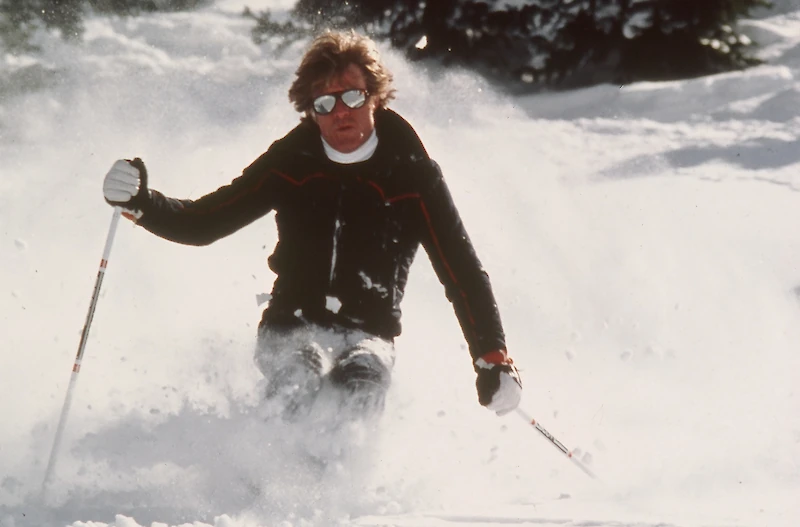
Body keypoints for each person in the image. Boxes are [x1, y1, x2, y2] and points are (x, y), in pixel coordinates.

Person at [102, 30, 521, 422]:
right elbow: (204, 222)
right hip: (290, 325)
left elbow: (461, 271)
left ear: (375, 97)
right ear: (311, 111)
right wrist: (140, 202)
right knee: (298, 374)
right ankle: (263, 480)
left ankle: (344, 489)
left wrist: (493, 358)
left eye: (353, 97)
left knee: (362, 381)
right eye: (324, 103)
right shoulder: (292, 162)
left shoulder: (411, 173)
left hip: (368, 334)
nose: (340, 113)